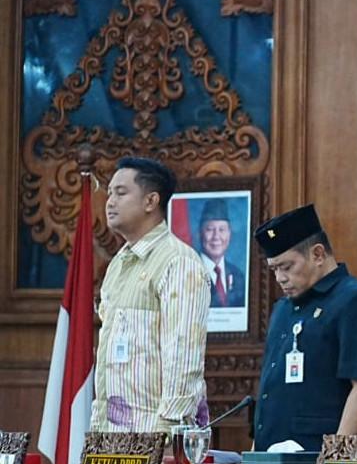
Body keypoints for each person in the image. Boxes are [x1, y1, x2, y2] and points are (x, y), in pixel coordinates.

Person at [252, 204, 357, 451]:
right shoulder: (283, 309)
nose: (280, 278)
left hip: (321, 460)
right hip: (273, 461)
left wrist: (334, 457)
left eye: (286, 267)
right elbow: (270, 391)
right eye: (274, 269)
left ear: (318, 254)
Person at [91, 157, 210, 432]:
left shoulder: (178, 261)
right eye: (109, 193)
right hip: (112, 437)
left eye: (121, 193)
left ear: (150, 201)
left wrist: (169, 433)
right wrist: (98, 428)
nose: (110, 202)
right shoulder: (118, 263)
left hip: (156, 438)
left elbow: (184, 356)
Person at [197, 198, 246, 308]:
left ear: (229, 234)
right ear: (200, 233)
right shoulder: (188, 272)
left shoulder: (238, 277)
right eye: (209, 229)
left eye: (222, 230)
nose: (216, 237)